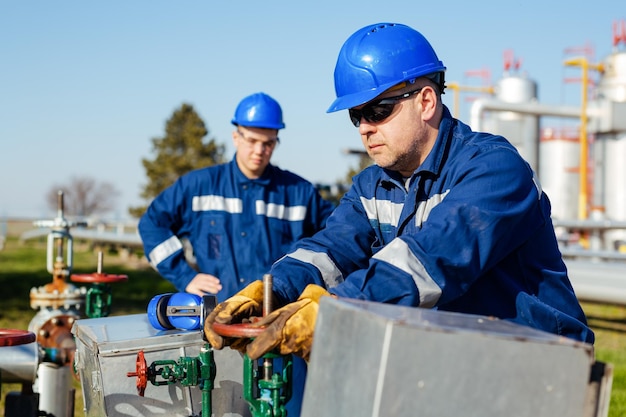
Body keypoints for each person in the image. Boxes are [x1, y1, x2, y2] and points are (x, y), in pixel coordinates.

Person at [205, 21, 594, 382]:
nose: (365, 128)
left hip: (541, 367)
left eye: (378, 110)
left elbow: (431, 258)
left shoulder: (494, 169)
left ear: (426, 101)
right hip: (455, 366)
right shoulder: (372, 186)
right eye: (356, 115)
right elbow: (329, 252)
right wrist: (270, 292)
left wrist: (333, 311)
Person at [139, 92, 334, 301]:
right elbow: (152, 224)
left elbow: (339, 237)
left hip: (278, 314)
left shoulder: (299, 193)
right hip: (215, 313)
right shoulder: (198, 186)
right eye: (252, 140)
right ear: (236, 137)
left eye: (268, 143)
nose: (259, 150)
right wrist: (185, 277)